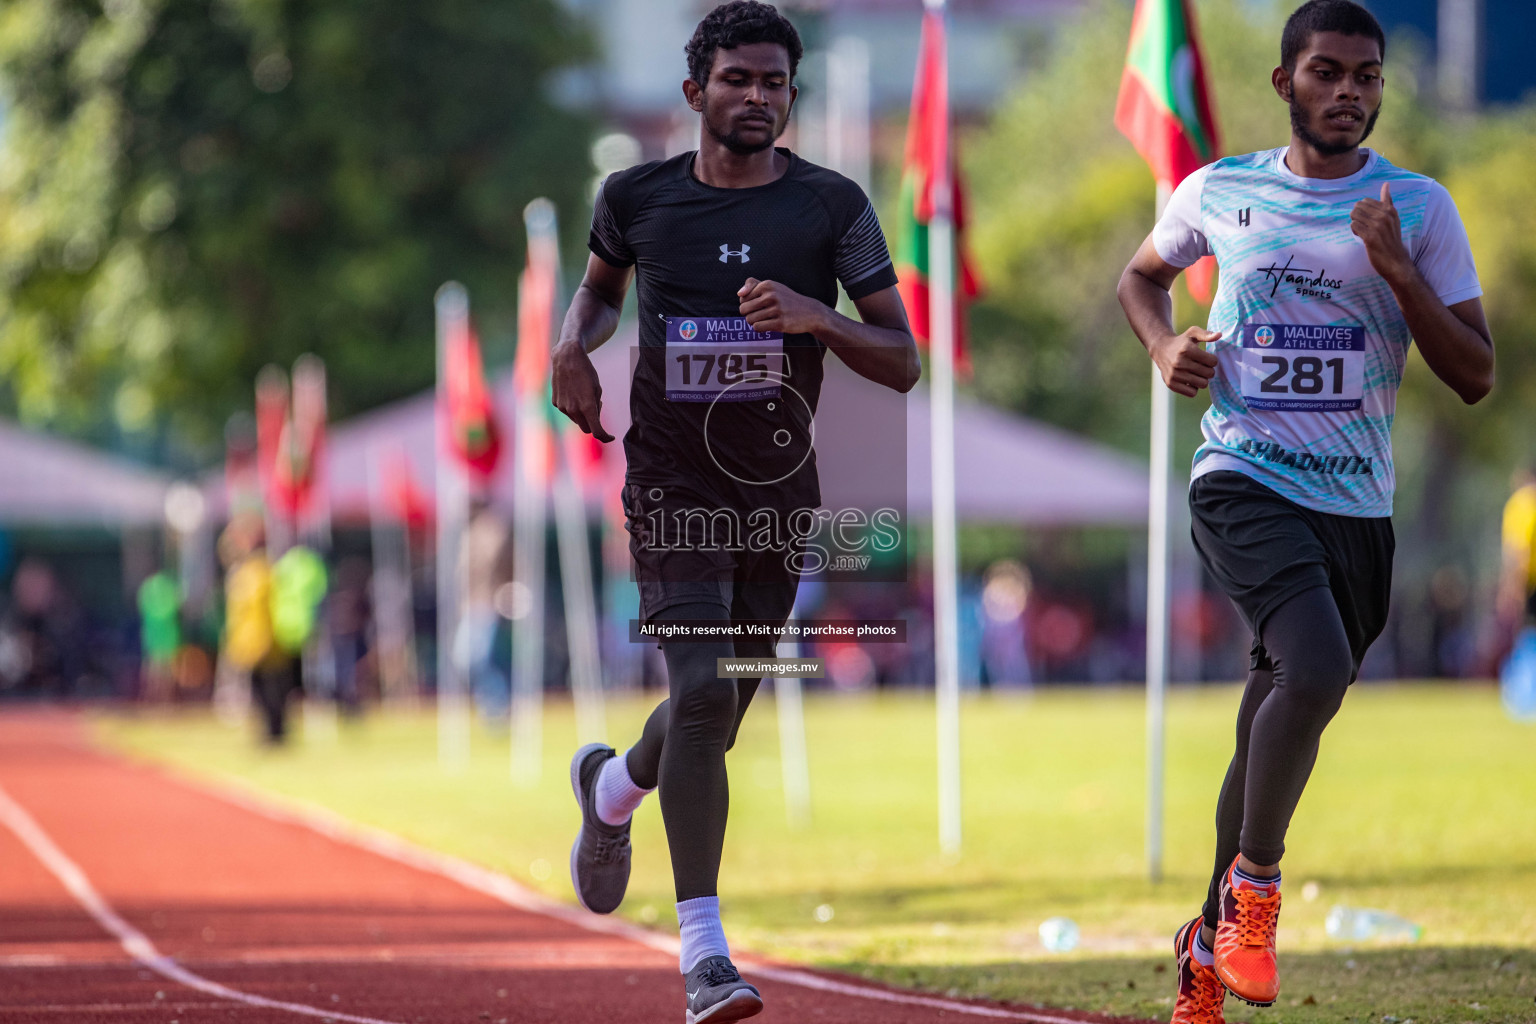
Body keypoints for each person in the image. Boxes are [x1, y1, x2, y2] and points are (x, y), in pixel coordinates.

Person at [1116, 2, 1492, 1018]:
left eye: (1366, 76)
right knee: (1315, 668)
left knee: (1271, 715)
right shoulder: (1221, 189)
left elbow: (1475, 374)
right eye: (1327, 72)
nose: (1349, 93)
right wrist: (1164, 348)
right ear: (1286, 83)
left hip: (1357, 506)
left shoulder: (1418, 208)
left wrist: (1399, 271)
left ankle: (1203, 937)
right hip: (1242, 475)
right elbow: (1141, 279)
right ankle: (1256, 894)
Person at [551, 3, 918, 1020]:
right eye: (737, 81)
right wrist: (569, 348)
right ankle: (705, 956)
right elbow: (596, 295)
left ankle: (615, 788)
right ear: (693, 93)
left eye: (774, 84)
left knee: (719, 704)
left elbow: (903, 360)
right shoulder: (635, 197)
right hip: (671, 481)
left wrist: (814, 315)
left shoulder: (831, 207)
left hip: (775, 488)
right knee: (707, 686)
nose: (757, 98)